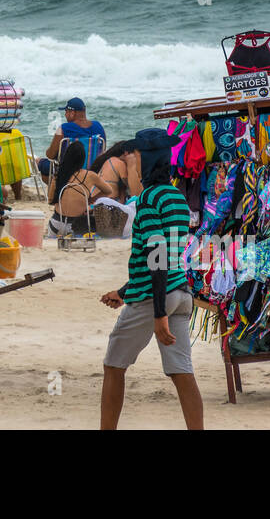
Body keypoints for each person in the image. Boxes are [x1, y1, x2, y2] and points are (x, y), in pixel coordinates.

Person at [99, 128, 201, 430]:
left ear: (147, 162)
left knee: (113, 364)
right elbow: (167, 257)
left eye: (136, 158)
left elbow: (156, 260)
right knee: (182, 372)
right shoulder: (177, 198)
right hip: (181, 293)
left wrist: (158, 314)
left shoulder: (148, 200)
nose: (132, 164)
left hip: (156, 299)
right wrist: (124, 290)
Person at [46, 140, 117, 235]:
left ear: (66, 157)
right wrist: (92, 199)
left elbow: (50, 201)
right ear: (82, 159)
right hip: (77, 227)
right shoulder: (90, 175)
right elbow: (109, 190)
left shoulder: (59, 174)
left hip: (56, 225)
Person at [39, 97, 106, 180]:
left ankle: (57, 192)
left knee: (40, 162)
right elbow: (103, 150)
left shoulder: (63, 128)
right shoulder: (98, 126)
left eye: (66, 112)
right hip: (93, 171)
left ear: (72, 113)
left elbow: (51, 155)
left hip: (67, 172)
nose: (65, 115)